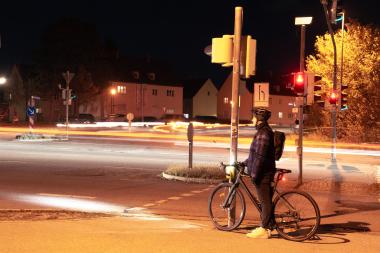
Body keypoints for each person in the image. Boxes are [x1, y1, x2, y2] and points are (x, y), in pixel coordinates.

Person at [244, 108, 276, 239]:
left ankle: (264, 228)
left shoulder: (263, 133)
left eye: (253, 118)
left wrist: (255, 174)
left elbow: (260, 156)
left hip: (263, 173)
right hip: (265, 171)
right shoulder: (263, 132)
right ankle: (269, 225)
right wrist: (245, 163)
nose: (252, 120)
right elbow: (255, 154)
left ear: (259, 119)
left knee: (265, 202)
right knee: (266, 201)